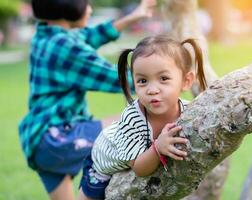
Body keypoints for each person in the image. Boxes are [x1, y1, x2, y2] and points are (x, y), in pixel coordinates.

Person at [18, 0, 156, 199]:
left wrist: (133, 16)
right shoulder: (68, 49)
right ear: (68, 6)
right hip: (57, 137)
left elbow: (91, 36)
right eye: (86, 3)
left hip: (38, 141)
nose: (89, 9)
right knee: (134, 122)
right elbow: (120, 80)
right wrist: (163, 79)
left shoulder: (45, 34)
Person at [77, 35, 207, 200]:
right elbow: (139, 168)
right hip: (104, 159)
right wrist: (158, 147)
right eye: (143, 81)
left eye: (164, 78)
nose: (152, 89)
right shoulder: (134, 118)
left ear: (186, 81)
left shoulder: (189, 111)